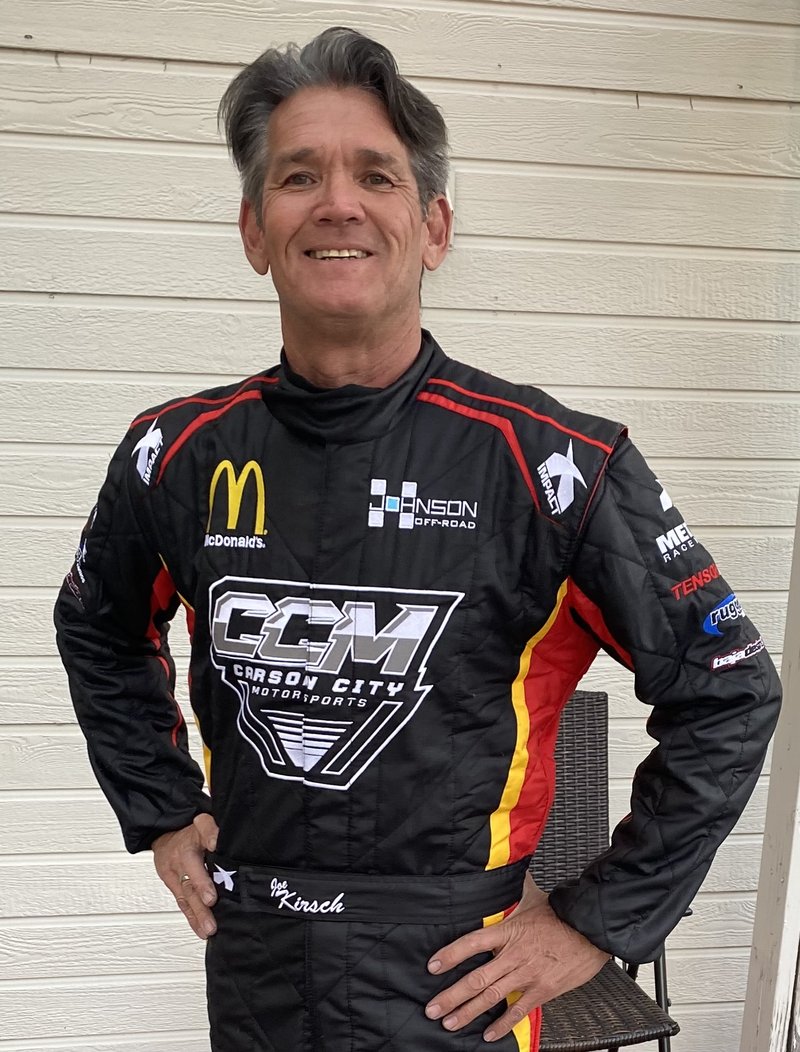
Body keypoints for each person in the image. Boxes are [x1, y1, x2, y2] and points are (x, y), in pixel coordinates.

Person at [54, 26, 781, 1052]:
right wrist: (162, 809)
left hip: (459, 980)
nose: (337, 203)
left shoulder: (555, 462)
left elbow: (729, 687)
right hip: (256, 962)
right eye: (297, 176)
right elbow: (96, 622)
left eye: (375, 175)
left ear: (433, 226)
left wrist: (596, 918)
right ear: (254, 230)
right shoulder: (172, 452)